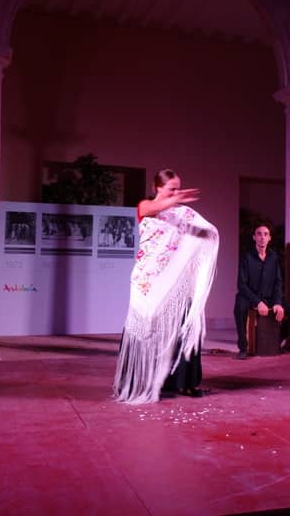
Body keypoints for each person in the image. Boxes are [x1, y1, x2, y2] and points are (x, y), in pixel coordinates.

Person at [113, 169, 220, 404]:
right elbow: (153, 209)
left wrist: (208, 235)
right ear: (157, 188)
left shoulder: (183, 214)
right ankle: (138, 380)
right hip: (148, 279)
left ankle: (186, 383)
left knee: (186, 325)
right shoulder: (145, 206)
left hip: (176, 284)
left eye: (178, 188)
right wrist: (175, 200)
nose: (176, 193)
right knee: (144, 328)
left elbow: (203, 233)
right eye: (172, 188)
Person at [233, 223, 290, 359]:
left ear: (269, 238)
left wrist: (277, 302)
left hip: (269, 297)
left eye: (265, 234)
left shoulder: (273, 257)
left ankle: (275, 340)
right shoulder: (247, 257)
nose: (262, 237)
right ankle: (243, 347)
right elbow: (241, 285)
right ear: (254, 237)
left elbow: (278, 282)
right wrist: (258, 302)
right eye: (259, 234)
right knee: (239, 307)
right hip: (250, 296)